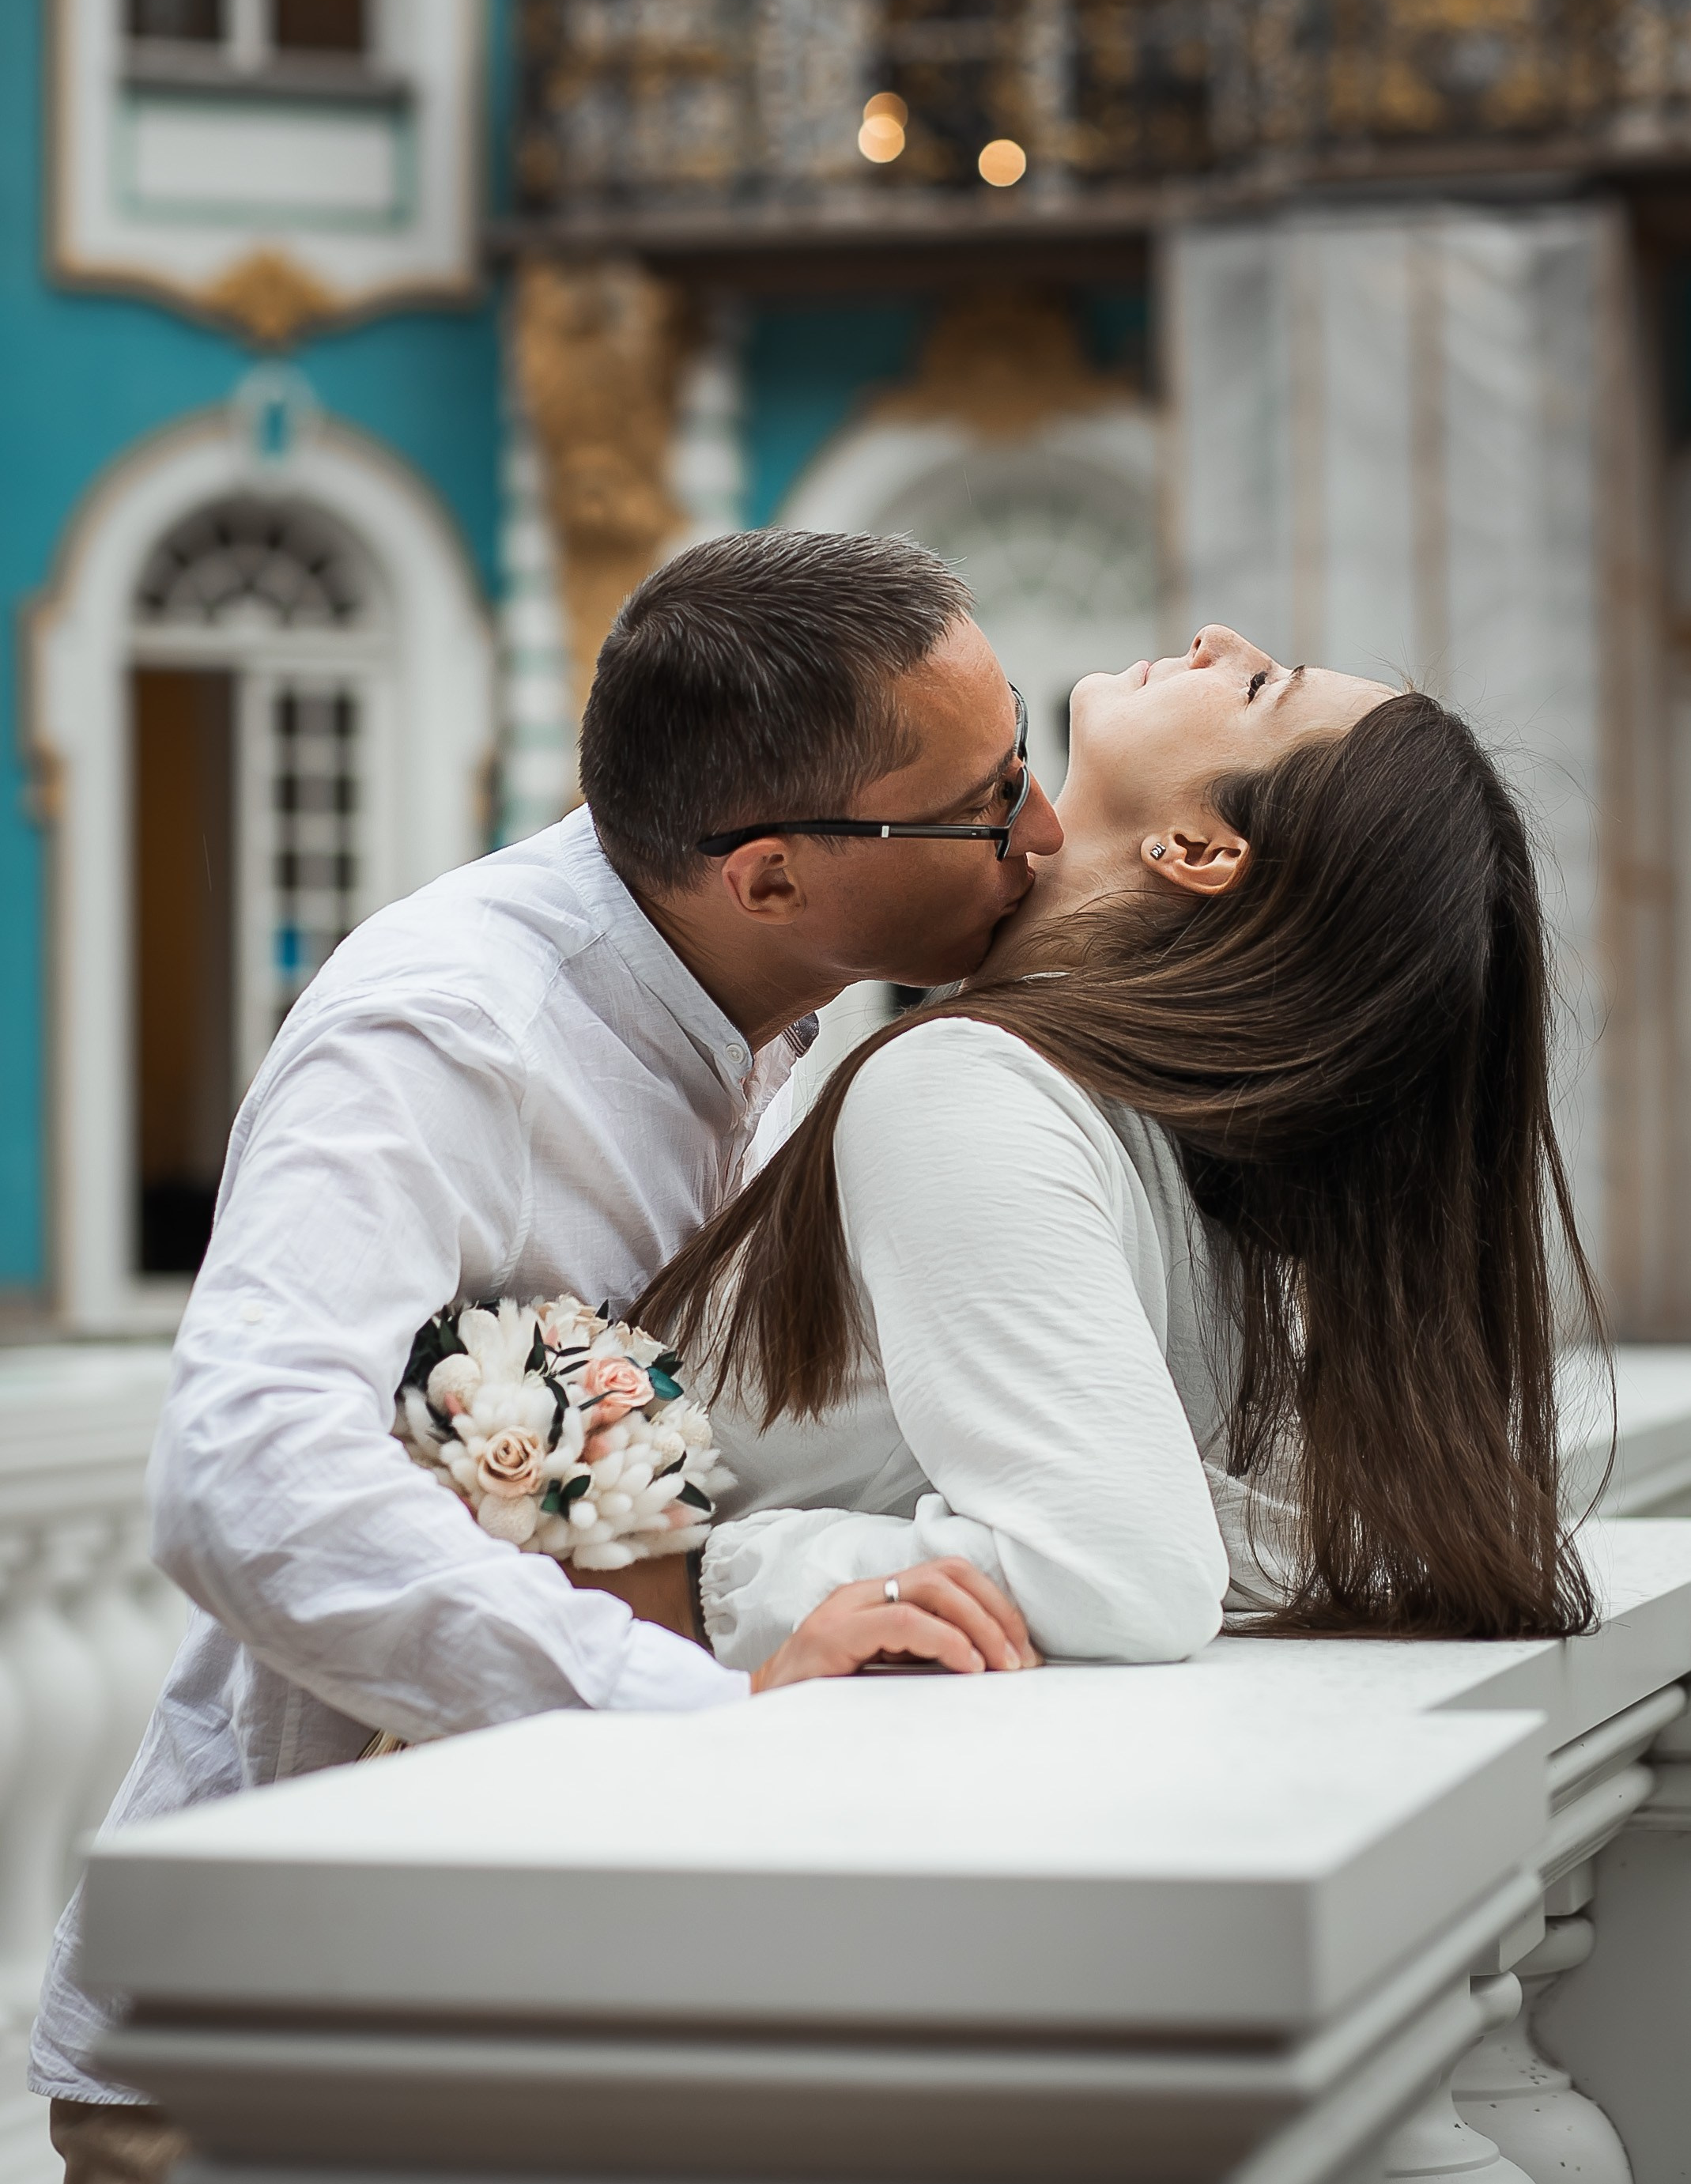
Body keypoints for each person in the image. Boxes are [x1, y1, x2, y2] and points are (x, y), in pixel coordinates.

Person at [33, 531, 1054, 2178]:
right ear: (771, 875)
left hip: (552, 1996)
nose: (1045, 834)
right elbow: (243, 1481)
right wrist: (697, 1705)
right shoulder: (445, 1034)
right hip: (278, 2050)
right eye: (988, 800)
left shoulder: (774, 1021)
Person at [635, 626, 1601, 1672]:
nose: (1217, 641)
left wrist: (691, 1582)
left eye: (1262, 685)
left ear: (1198, 847)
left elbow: (1122, 1576)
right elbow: (1234, 1533)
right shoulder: (1146, 1135)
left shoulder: (971, 1084)